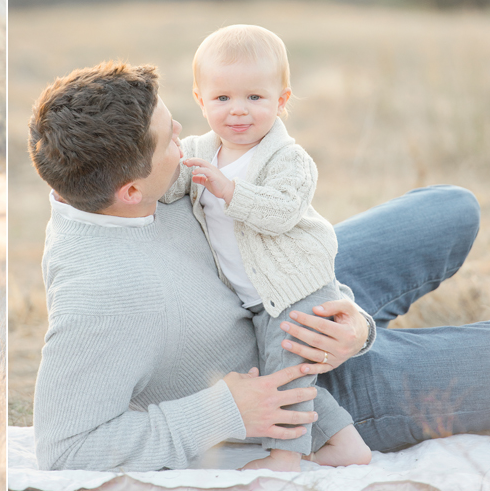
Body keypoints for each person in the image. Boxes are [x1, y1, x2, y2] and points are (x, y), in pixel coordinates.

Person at [28, 61, 488, 472]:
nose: (184, 136)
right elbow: (66, 448)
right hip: (300, 391)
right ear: (131, 191)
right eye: (169, 138)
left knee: (450, 208)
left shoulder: (125, 183)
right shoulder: (99, 299)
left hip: (281, 286)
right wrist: (224, 409)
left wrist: (356, 328)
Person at [161, 25, 369, 470]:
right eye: (222, 99)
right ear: (200, 100)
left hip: (296, 288)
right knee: (285, 368)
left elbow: (281, 211)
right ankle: (345, 443)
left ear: (282, 100)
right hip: (255, 299)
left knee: (286, 374)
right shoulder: (200, 151)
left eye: (255, 97)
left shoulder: (288, 158)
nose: (238, 111)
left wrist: (230, 190)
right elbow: (169, 185)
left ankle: (284, 458)